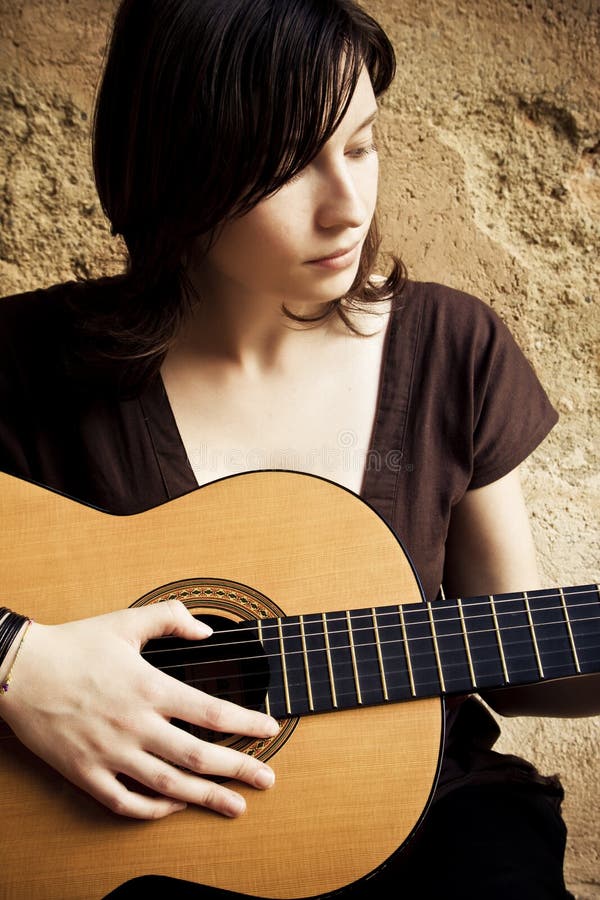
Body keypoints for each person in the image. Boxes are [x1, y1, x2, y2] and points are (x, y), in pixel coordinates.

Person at [0, 1, 597, 897]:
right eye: (287, 169)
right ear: (177, 171)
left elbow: (516, 663)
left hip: (422, 826)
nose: (347, 206)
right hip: (130, 846)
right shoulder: (25, 362)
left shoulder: (449, 345)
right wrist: (17, 662)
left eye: (360, 146)